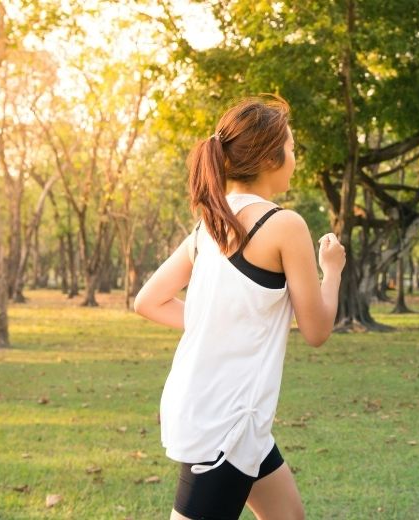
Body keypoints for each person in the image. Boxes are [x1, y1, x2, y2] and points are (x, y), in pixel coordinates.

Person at [133, 94, 346, 520]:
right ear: (270, 157)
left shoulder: (209, 224)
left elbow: (148, 301)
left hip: (232, 416)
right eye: (291, 149)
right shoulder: (284, 225)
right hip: (224, 423)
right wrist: (333, 269)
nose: (295, 159)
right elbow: (317, 330)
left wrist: (218, 324)